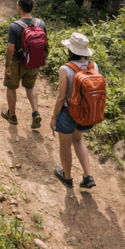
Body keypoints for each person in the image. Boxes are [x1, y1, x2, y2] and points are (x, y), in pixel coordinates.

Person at [50, 32, 97, 189]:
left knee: (65, 145)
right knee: (77, 139)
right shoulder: (93, 66)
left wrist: (53, 117)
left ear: (70, 50)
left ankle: (67, 177)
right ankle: (87, 175)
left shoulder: (65, 69)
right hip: (87, 113)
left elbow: (61, 97)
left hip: (69, 113)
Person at [1, 0, 45, 128]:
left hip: (17, 63)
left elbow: (10, 49)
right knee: (30, 86)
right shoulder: (41, 23)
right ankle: (35, 112)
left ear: (19, 8)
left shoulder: (14, 26)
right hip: (34, 61)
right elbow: (44, 45)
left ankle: (12, 116)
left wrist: (7, 65)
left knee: (11, 87)